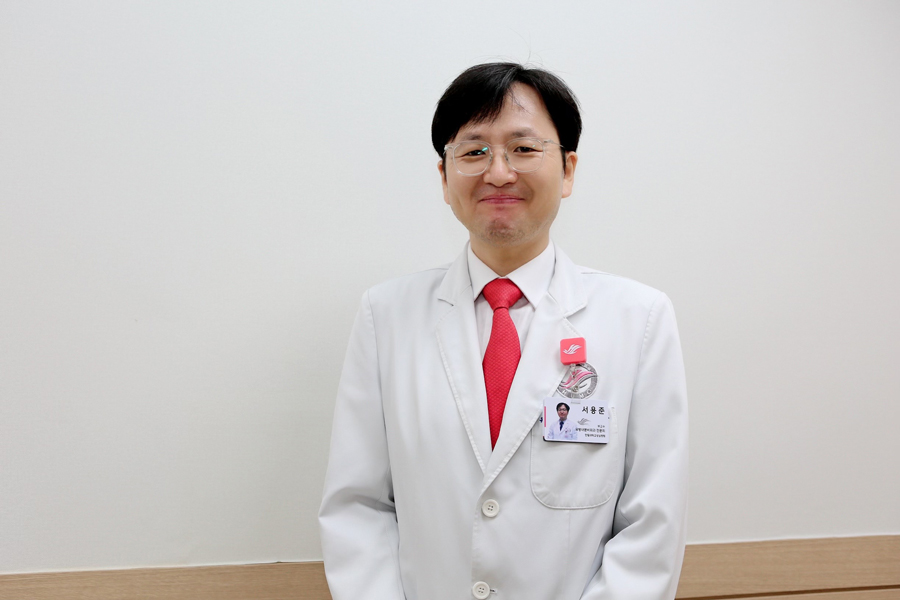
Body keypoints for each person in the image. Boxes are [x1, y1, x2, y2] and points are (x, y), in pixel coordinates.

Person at [319, 62, 688, 600]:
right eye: (474, 152)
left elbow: (652, 523)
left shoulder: (640, 318)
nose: (498, 172)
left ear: (567, 170)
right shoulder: (386, 316)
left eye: (523, 148)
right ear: (444, 178)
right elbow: (358, 508)